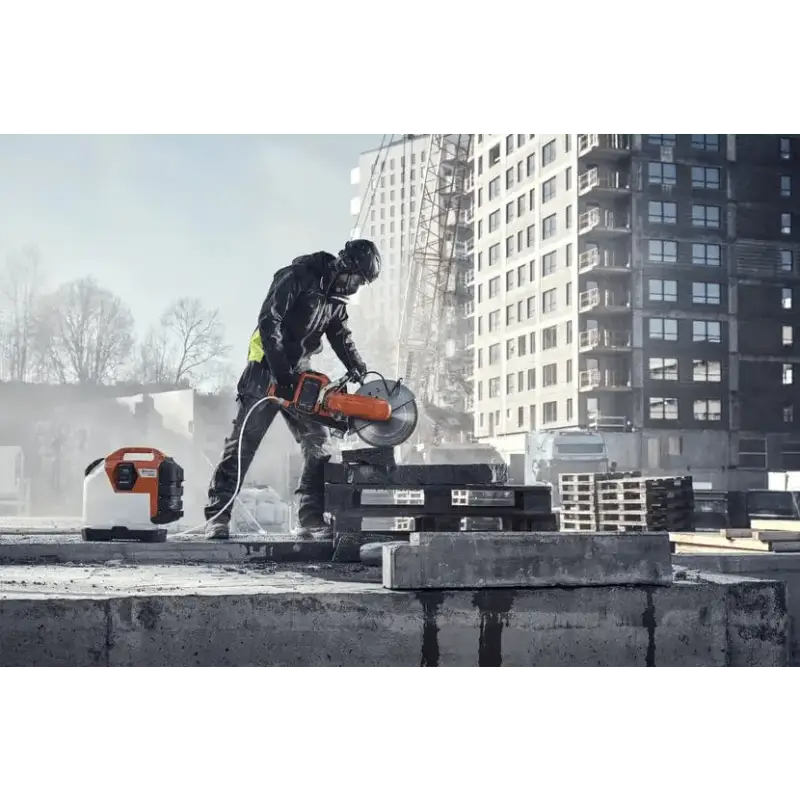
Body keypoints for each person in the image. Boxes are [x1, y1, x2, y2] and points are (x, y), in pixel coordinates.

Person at [204, 239, 381, 541]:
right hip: (265, 368)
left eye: (361, 285)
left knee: (318, 440)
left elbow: (340, 334)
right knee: (244, 444)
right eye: (357, 281)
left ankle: (310, 519)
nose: (355, 288)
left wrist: (357, 365)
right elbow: (268, 321)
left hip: (298, 373)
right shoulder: (298, 276)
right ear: (346, 266)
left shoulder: (336, 300)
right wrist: (280, 369)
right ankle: (218, 518)